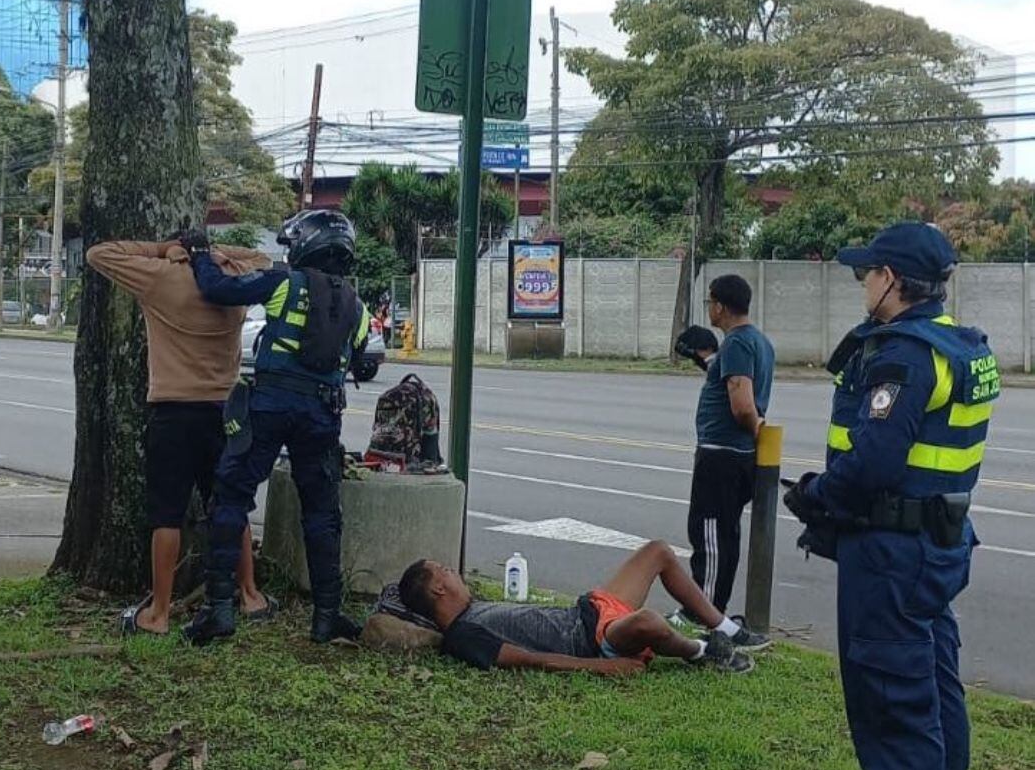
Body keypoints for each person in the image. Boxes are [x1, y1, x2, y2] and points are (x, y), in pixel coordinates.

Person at [784, 222, 998, 770]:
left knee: (892, 694)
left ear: (894, 282)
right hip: (936, 543)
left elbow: (872, 462)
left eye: (867, 273)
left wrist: (817, 495)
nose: (862, 283)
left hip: (893, 552)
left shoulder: (903, 356)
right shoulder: (960, 345)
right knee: (935, 684)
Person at [178, 210, 371, 645]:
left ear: (306, 244)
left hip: (268, 406)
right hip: (322, 416)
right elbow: (359, 359)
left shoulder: (285, 282)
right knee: (322, 514)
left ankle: (220, 610)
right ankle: (327, 615)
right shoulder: (356, 306)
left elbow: (218, 290)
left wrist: (200, 254)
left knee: (231, 499)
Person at [85, 237, 276, 635]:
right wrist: (218, 254)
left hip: (172, 409)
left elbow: (99, 254)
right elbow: (264, 258)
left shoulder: (160, 278)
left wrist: (162, 250)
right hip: (226, 409)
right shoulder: (234, 277)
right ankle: (250, 594)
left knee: (166, 514)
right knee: (230, 506)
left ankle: (158, 612)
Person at [396, 541, 769, 675]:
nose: (454, 572)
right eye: (445, 571)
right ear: (440, 588)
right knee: (648, 622)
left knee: (658, 552)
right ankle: (702, 651)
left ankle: (728, 630)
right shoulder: (462, 635)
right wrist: (606, 667)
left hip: (591, 608)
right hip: (593, 639)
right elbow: (530, 660)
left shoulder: (473, 608)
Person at [683, 273, 775, 624]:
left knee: (709, 533)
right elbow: (730, 380)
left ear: (720, 306)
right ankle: (711, 607)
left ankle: (702, 612)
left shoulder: (737, 343)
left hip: (722, 454)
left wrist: (756, 429)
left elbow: (741, 400)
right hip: (734, 455)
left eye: (710, 302)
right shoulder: (757, 342)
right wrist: (706, 359)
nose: (709, 308)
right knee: (724, 532)